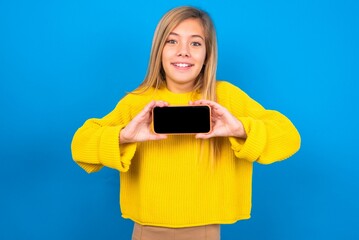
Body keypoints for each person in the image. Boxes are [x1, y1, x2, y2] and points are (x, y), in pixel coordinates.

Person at [71, 6, 301, 240]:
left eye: (195, 43)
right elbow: (79, 146)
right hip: (146, 230)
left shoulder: (226, 97)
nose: (183, 52)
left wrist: (240, 129)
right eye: (172, 41)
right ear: (158, 50)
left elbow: (290, 137)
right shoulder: (137, 102)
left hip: (205, 231)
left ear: (207, 53)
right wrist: (123, 136)